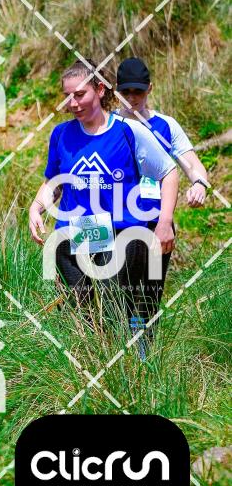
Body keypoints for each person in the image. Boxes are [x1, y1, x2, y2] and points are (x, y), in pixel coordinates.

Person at [27, 59, 179, 358]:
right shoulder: (61, 135)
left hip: (122, 231)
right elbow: (54, 182)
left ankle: (129, 367)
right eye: (68, 96)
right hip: (77, 232)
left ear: (99, 89)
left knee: (116, 308)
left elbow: (168, 172)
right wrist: (36, 207)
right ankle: (90, 363)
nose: (73, 103)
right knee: (77, 311)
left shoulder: (128, 131)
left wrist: (164, 222)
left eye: (80, 94)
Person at [115, 57, 212, 347]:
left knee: (150, 293)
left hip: (157, 224)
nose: (132, 98)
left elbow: (193, 166)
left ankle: (148, 355)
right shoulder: (108, 125)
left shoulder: (166, 125)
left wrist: (199, 184)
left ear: (150, 89)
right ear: (116, 91)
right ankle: (116, 352)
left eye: (138, 92)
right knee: (118, 295)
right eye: (126, 92)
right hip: (117, 225)